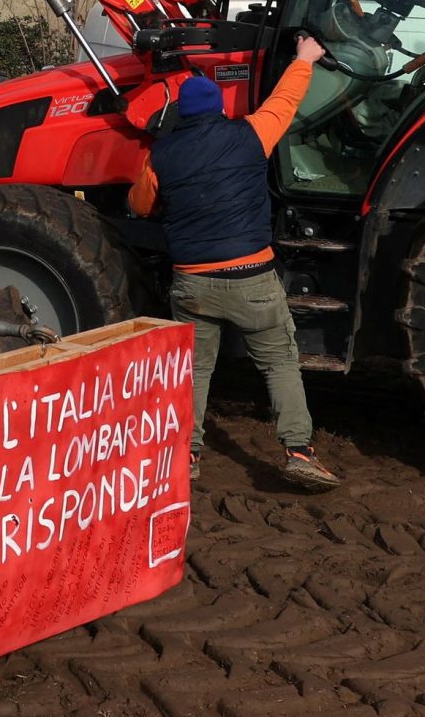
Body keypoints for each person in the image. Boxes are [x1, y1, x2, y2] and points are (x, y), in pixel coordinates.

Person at [128, 35, 340, 491]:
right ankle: (299, 451)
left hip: (193, 284)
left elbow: (141, 205)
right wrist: (304, 58)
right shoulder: (250, 133)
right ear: (220, 109)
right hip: (252, 278)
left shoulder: (160, 155)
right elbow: (285, 100)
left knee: (195, 370)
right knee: (280, 362)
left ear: (183, 115)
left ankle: (186, 455)